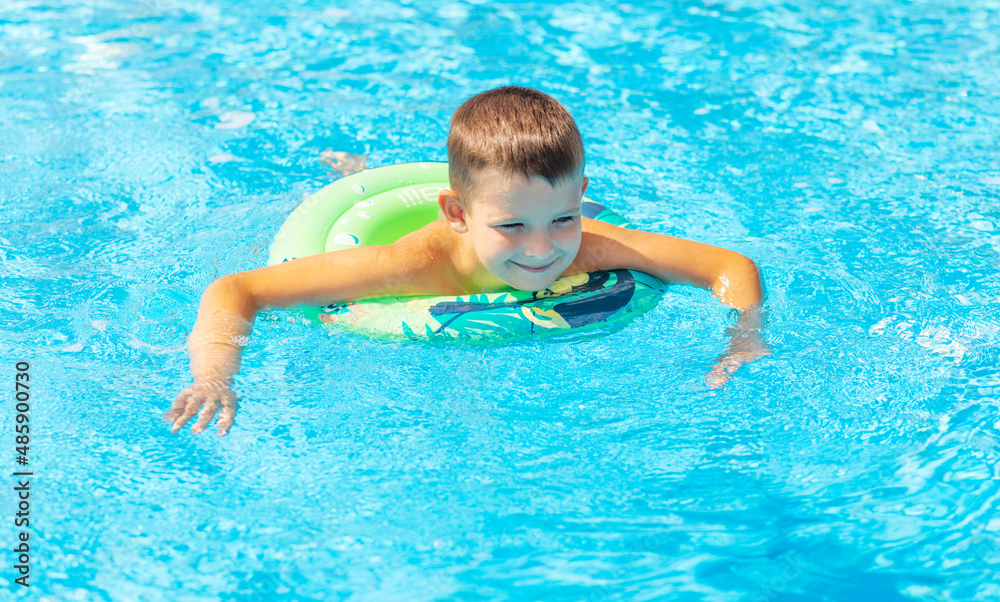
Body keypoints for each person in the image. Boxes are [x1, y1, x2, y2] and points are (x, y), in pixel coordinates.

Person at [164, 85, 768, 437]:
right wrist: (215, 376)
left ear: (581, 195)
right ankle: (354, 170)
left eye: (563, 217)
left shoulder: (591, 243)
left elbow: (731, 267)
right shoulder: (413, 266)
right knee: (348, 187)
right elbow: (235, 291)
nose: (544, 251)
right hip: (388, 239)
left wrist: (743, 341)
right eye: (512, 226)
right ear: (455, 214)